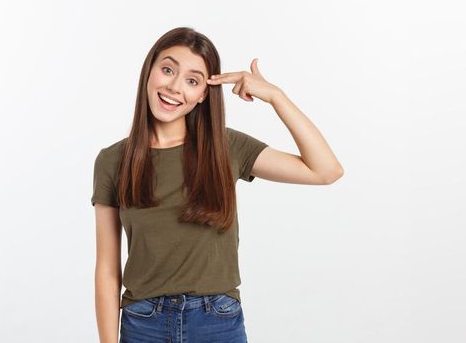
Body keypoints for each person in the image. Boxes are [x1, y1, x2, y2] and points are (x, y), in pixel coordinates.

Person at [91, 26, 344, 343]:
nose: (174, 87)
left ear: (202, 96)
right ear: (149, 71)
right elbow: (107, 269)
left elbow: (326, 170)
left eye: (192, 80)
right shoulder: (113, 160)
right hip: (143, 324)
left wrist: (276, 97)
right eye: (168, 69)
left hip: (217, 322)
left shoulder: (224, 147)